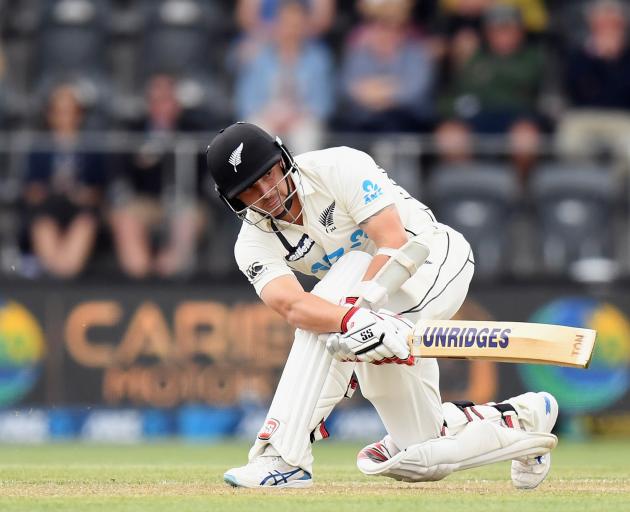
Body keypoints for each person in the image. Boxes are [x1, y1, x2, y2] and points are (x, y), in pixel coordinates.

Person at [206, 121, 558, 489]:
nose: (267, 192)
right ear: (234, 200)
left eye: (268, 175)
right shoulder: (251, 243)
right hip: (366, 305)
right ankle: (521, 420)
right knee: (420, 455)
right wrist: (354, 317)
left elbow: (392, 240)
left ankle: (281, 456)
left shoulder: (339, 166)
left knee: (345, 282)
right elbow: (293, 306)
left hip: (430, 263)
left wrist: (360, 311)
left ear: (282, 159)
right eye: (250, 190)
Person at [108, 74, 207, 278]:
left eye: (167, 100)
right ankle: (141, 278)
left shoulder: (192, 130)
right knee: (124, 217)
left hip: (185, 201)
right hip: (145, 200)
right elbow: (122, 173)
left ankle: (167, 277)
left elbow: (204, 175)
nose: (161, 107)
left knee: (188, 219)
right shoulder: (133, 131)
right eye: (155, 101)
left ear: (177, 104)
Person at [22, 83, 106, 278]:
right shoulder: (39, 147)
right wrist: (45, 191)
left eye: (70, 111)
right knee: (43, 226)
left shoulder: (92, 148)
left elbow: (100, 189)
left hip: (80, 208)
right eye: (59, 112)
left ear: (79, 115)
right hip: (48, 207)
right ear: (50, 115)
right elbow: (30, 189)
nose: (64, 117)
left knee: (84, 225)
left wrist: (84, 194)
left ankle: (63, 285)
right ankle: (55, 285)